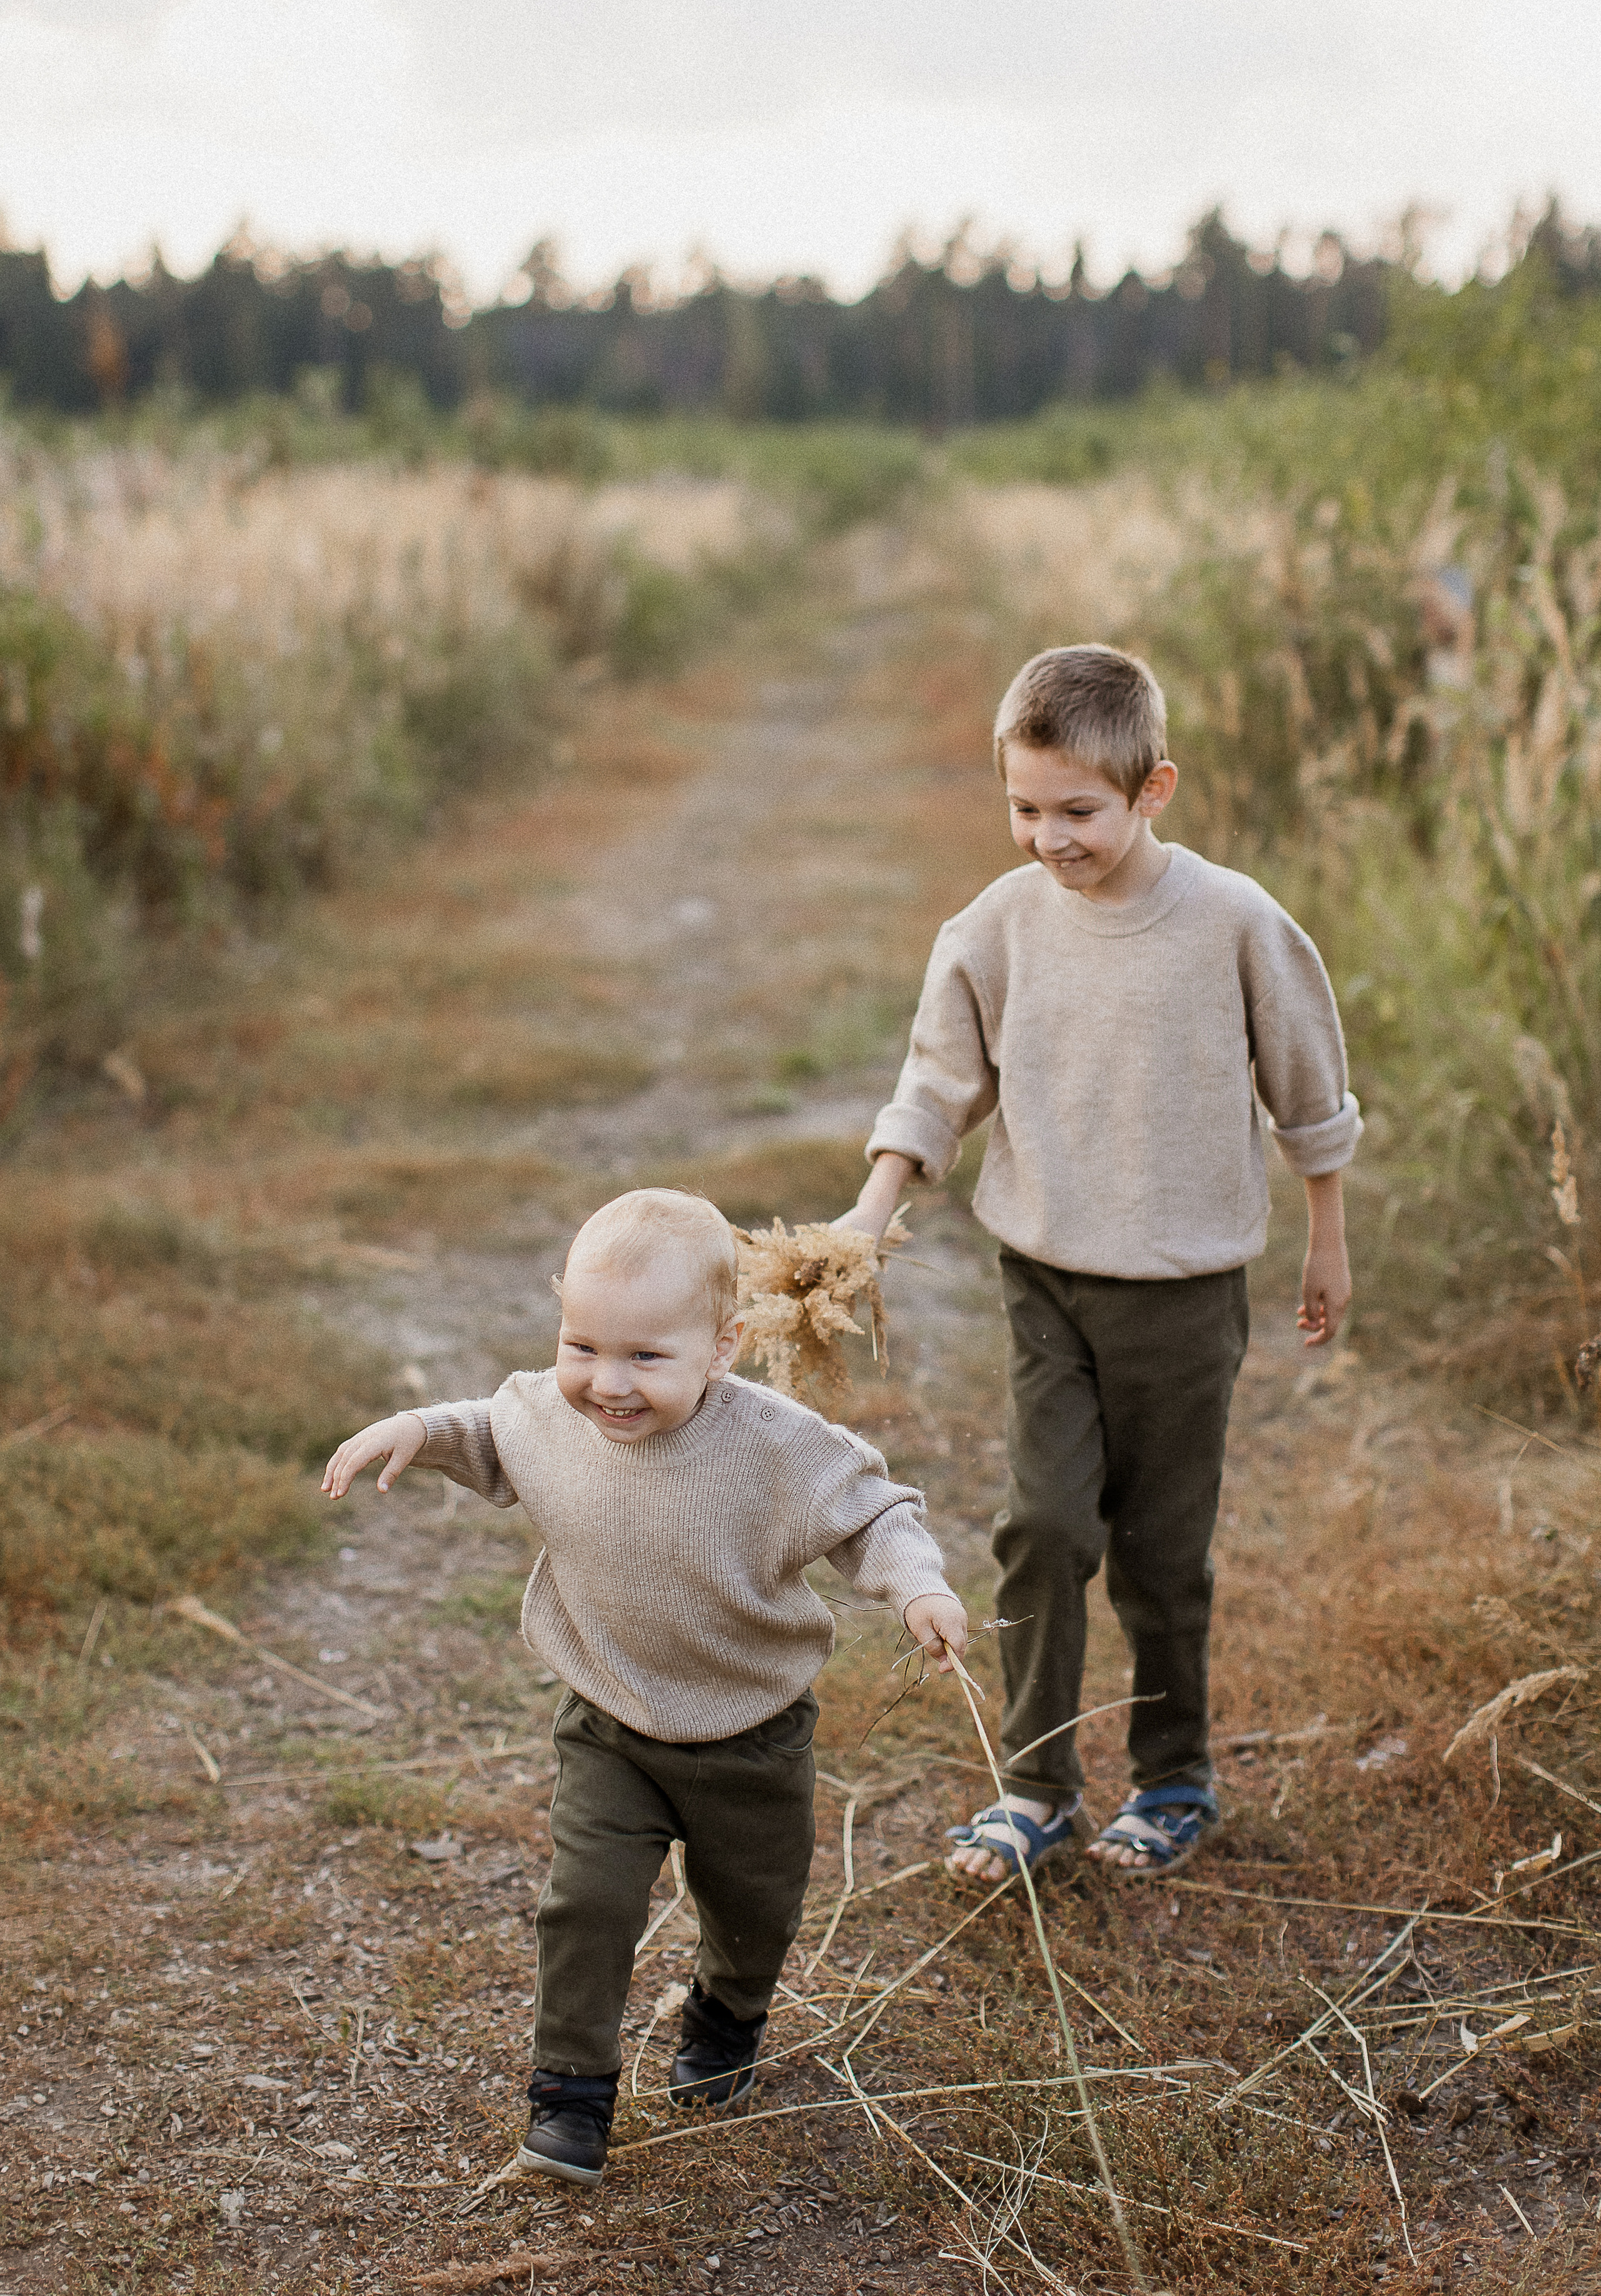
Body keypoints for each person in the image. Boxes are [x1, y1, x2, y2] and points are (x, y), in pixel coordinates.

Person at [836, 644, 1358, 1884]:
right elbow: (936, 1080)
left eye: (1077, 811)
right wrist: (869, 1212)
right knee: (1040, 1525)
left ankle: (1173, 1778)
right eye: (1022, 809)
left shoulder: (1232, 922)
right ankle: (1035, 1786)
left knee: (1162, 1556)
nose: (1047, 839)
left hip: (1182, 1293)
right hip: (1047, 1282)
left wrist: (1325, 1239)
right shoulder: (998, 927)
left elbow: (1308, 1092)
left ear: (1151, 788)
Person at [321, 1188, 966, 2186]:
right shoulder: (551, 1410)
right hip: (611, 1723)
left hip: (752, 1732)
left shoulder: (778, 1447)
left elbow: (873, 1515)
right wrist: (414, 1427)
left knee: (755, 1909)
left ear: (725, 1346)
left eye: (645, 1358)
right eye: (583, 1345)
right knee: (585, 1903)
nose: (606, 1384)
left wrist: (918, 1586)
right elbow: (490, 1429)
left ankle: (727, 2012)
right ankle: (570, 2094)